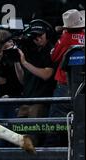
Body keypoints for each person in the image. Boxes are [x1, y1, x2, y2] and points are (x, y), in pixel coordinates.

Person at [45, 9, 85, 146]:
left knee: (55, 123)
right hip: (82, 85)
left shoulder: (66, 37)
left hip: (65, 85)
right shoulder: (84, 35)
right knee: (80, 122)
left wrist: (62, 38)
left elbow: (53, 56)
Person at [14, 19, 56, 146]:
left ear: (47, 35)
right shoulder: (31, 51)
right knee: (18, 136)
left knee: (33, 137)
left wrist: (25, 63)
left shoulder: (51, 50)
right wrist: (16, 61)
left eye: (40, 35)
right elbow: (23, 80)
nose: (37, 39)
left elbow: (46, 75)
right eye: (34, 36)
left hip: (40, 101)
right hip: (26, 99)